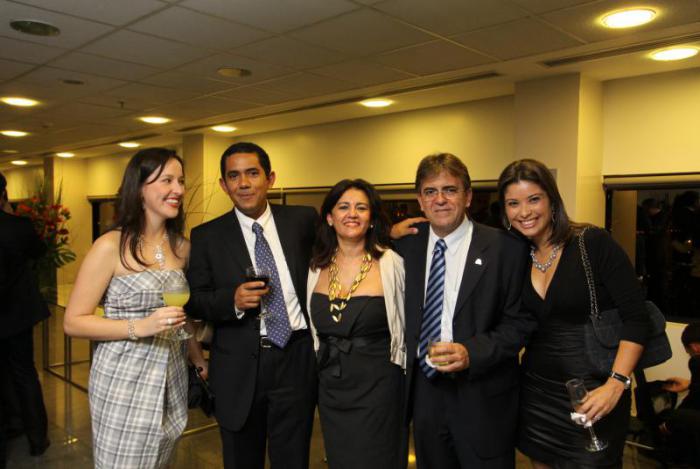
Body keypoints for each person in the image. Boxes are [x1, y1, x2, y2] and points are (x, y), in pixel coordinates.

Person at [497, 158, 650, 468]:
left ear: (552, 199)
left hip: (594, 391)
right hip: (537, 392)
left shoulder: (592, 242)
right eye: (513, 203)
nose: (524, 212)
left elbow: (637, 318)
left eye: (534, 199)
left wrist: (616, 384)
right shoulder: (515, 254)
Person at [63, 148, 207, 468]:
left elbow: (181, 317)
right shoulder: (110, 246)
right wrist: (140, 326)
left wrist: (198, 360)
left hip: (171, 377)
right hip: (123, 379)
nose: (178, 189)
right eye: (167, 180)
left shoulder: (183, 248)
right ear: (139, 188)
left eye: (181, 181)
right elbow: (73, 321)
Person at [394, 153, 535, 468]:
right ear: (420, 200)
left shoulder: (506, 249)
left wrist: (472, 352)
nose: (440, 199)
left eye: (450, 190)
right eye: (430, 192)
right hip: (425, 394)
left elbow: (520, 324)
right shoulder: (404, 247)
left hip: (482, 395)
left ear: (468, 196)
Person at [186, 142, 318, 469]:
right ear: (223, 185)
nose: (243, 183)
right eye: (234, 176)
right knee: (241, 459)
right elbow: (194, 300)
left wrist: (391, 234)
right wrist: (231, 300)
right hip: (239, 366)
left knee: (293, 458)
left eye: (252, 173)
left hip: (296, 357)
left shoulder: (303, 220)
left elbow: (344, 245)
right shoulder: (207, 236)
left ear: (270, 179)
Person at [306, 179, 406, 468]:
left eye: (361, 208)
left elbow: (408, 324)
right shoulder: (315, 266)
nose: (352, 214)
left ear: (372, 218)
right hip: (332, 386)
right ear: (329, 217)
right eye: (343, 207)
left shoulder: (391, 263)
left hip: (379, 387)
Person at [0, 172, 50, 463]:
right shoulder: (18, 227)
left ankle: (11, 427)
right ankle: (37, 439)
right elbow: (39, 251)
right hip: (17, 315)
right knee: (24, 374)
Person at [660, 322, 700, 465]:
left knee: (679, 417)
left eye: (688, 352)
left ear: (695, 347)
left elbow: (695, 399)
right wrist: (689, 384)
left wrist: (668, 424)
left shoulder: (697, 361)